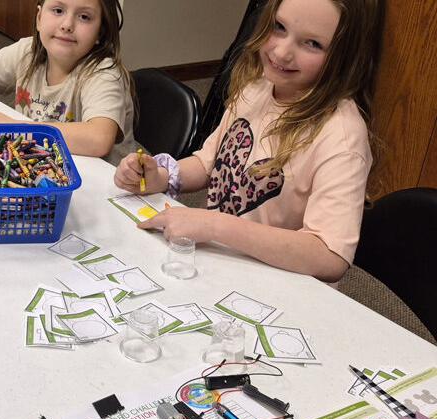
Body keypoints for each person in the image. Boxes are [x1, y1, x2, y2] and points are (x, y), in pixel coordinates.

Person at [115, 0, 382, 283]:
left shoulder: (341, 137)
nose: (281, 52)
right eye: (279, 27)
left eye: (312, 44)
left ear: (345, 57)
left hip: (277, 286)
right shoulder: (257, 86)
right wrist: (161, 176)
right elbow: (209, 163)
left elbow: (329, 255)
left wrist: (216, 226)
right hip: (220, 263)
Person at [0, 0, 137, 163]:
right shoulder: (28, 51)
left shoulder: (104, 73)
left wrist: (12, 127)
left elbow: (98, 139)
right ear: (39, 18)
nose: (67, 25)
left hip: (104, 188)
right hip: (44, 164)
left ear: (100, 32)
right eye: (58, 10)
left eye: (84, 17)